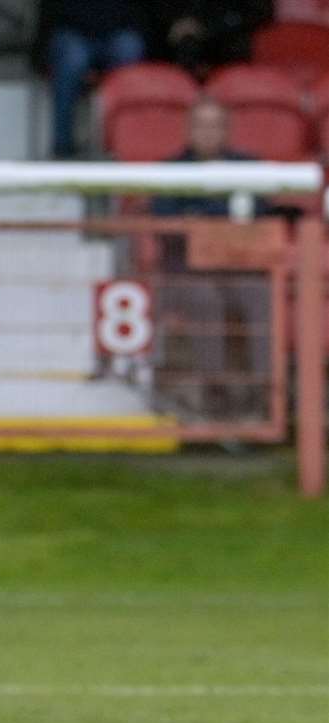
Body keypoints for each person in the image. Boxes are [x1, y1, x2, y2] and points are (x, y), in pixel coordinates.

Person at [146, 97, 272, 417]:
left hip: (238, 265)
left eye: (215, 125)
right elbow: (165, 222)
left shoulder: (249, 168)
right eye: (201, 125)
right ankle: (215, 393)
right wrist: (218, 218)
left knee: (260, 294)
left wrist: (199, 217)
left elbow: (261, 212)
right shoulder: (170, 172)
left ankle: (267, 392)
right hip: (186, 269)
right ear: (189, 130)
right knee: (204, 298)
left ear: (227, 130)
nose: (208, 132)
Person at [35, 0, 147, 159]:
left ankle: (125, 143)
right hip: (71, 34)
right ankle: (62, 149)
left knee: (129, 47)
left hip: (115, 34)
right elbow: (49, 13)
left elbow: (137, 13)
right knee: (73, 57)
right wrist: (38, 57)